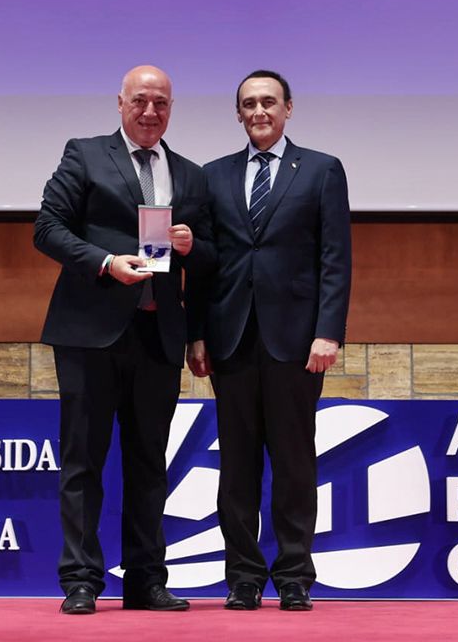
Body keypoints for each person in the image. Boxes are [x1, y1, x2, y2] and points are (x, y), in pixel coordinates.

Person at [35, 65, 214, 615]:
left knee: (148, 464)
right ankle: (82, 580)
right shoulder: (84, 154)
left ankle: (145, 579)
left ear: (171, 108)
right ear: (119, 103)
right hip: (90, 334)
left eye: (161, 102)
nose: (150, 111)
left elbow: (210, 261)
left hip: (158, 334)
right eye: (140, 100)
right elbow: (48, 228)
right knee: (83, 460)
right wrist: (107, 262)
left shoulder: (190, 174)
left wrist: (189, 248)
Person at [186, 69, 352, 611]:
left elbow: (334, 260)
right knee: (236, 465)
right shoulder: (212, 177)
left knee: (294, 460)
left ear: (288, 108)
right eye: (249, 104)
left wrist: (329, 331)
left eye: (268, 102)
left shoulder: (323, 170)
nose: (259, 111)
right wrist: (196, 334)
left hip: (296, 341)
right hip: (231, 339)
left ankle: (295, 575)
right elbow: (204, 268)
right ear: (238, 113)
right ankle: (242, 577)